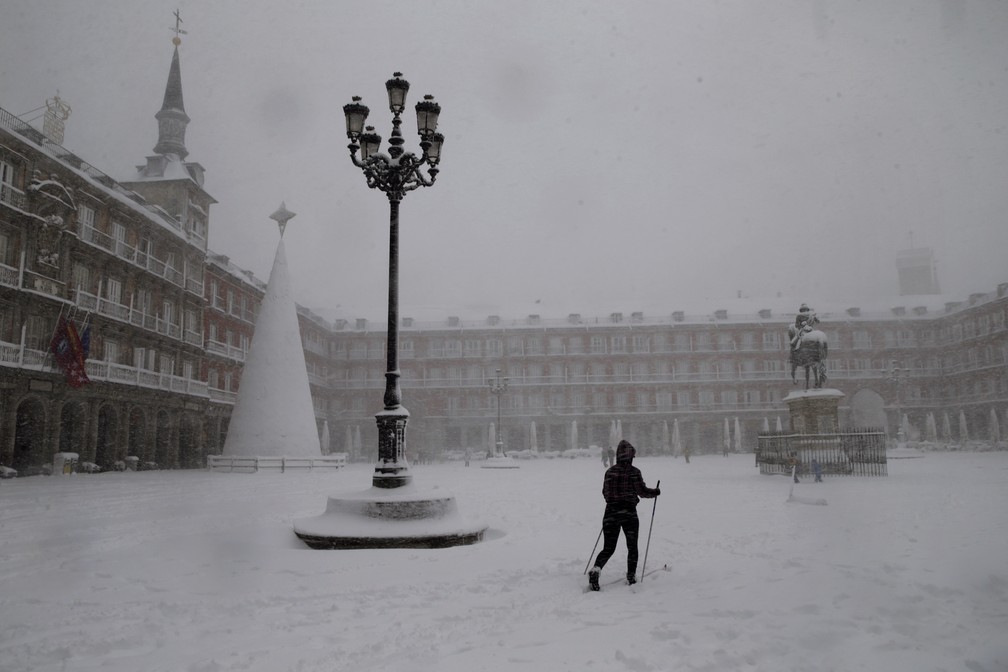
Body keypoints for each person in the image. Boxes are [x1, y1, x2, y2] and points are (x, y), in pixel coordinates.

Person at [587, 440, 660, 591]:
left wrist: (614, 502)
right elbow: (642, 491)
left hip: (611, 512)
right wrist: (655, 492)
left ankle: (596, 570)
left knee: (608, 547)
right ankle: (631, 576)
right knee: (632, 547)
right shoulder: (634, 472)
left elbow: (605, 493)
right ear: (630, 456)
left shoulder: (610, 472)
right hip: (629, 514)